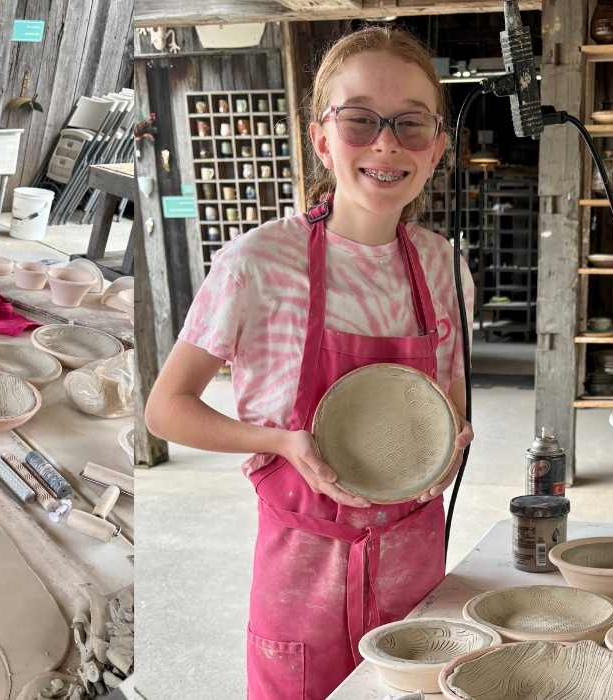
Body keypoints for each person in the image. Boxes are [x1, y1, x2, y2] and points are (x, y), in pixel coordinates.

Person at [145, 26, 474, 700]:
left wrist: (450, 438)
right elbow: (165, 408)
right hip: (302, 569)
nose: (386, 144)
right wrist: (278, 442)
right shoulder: (259, 264)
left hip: (415, 558)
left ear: (437, 147)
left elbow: (452, 399)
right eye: (360, 121)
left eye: (411, 124)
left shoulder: (446, 267)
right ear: (323, 138)